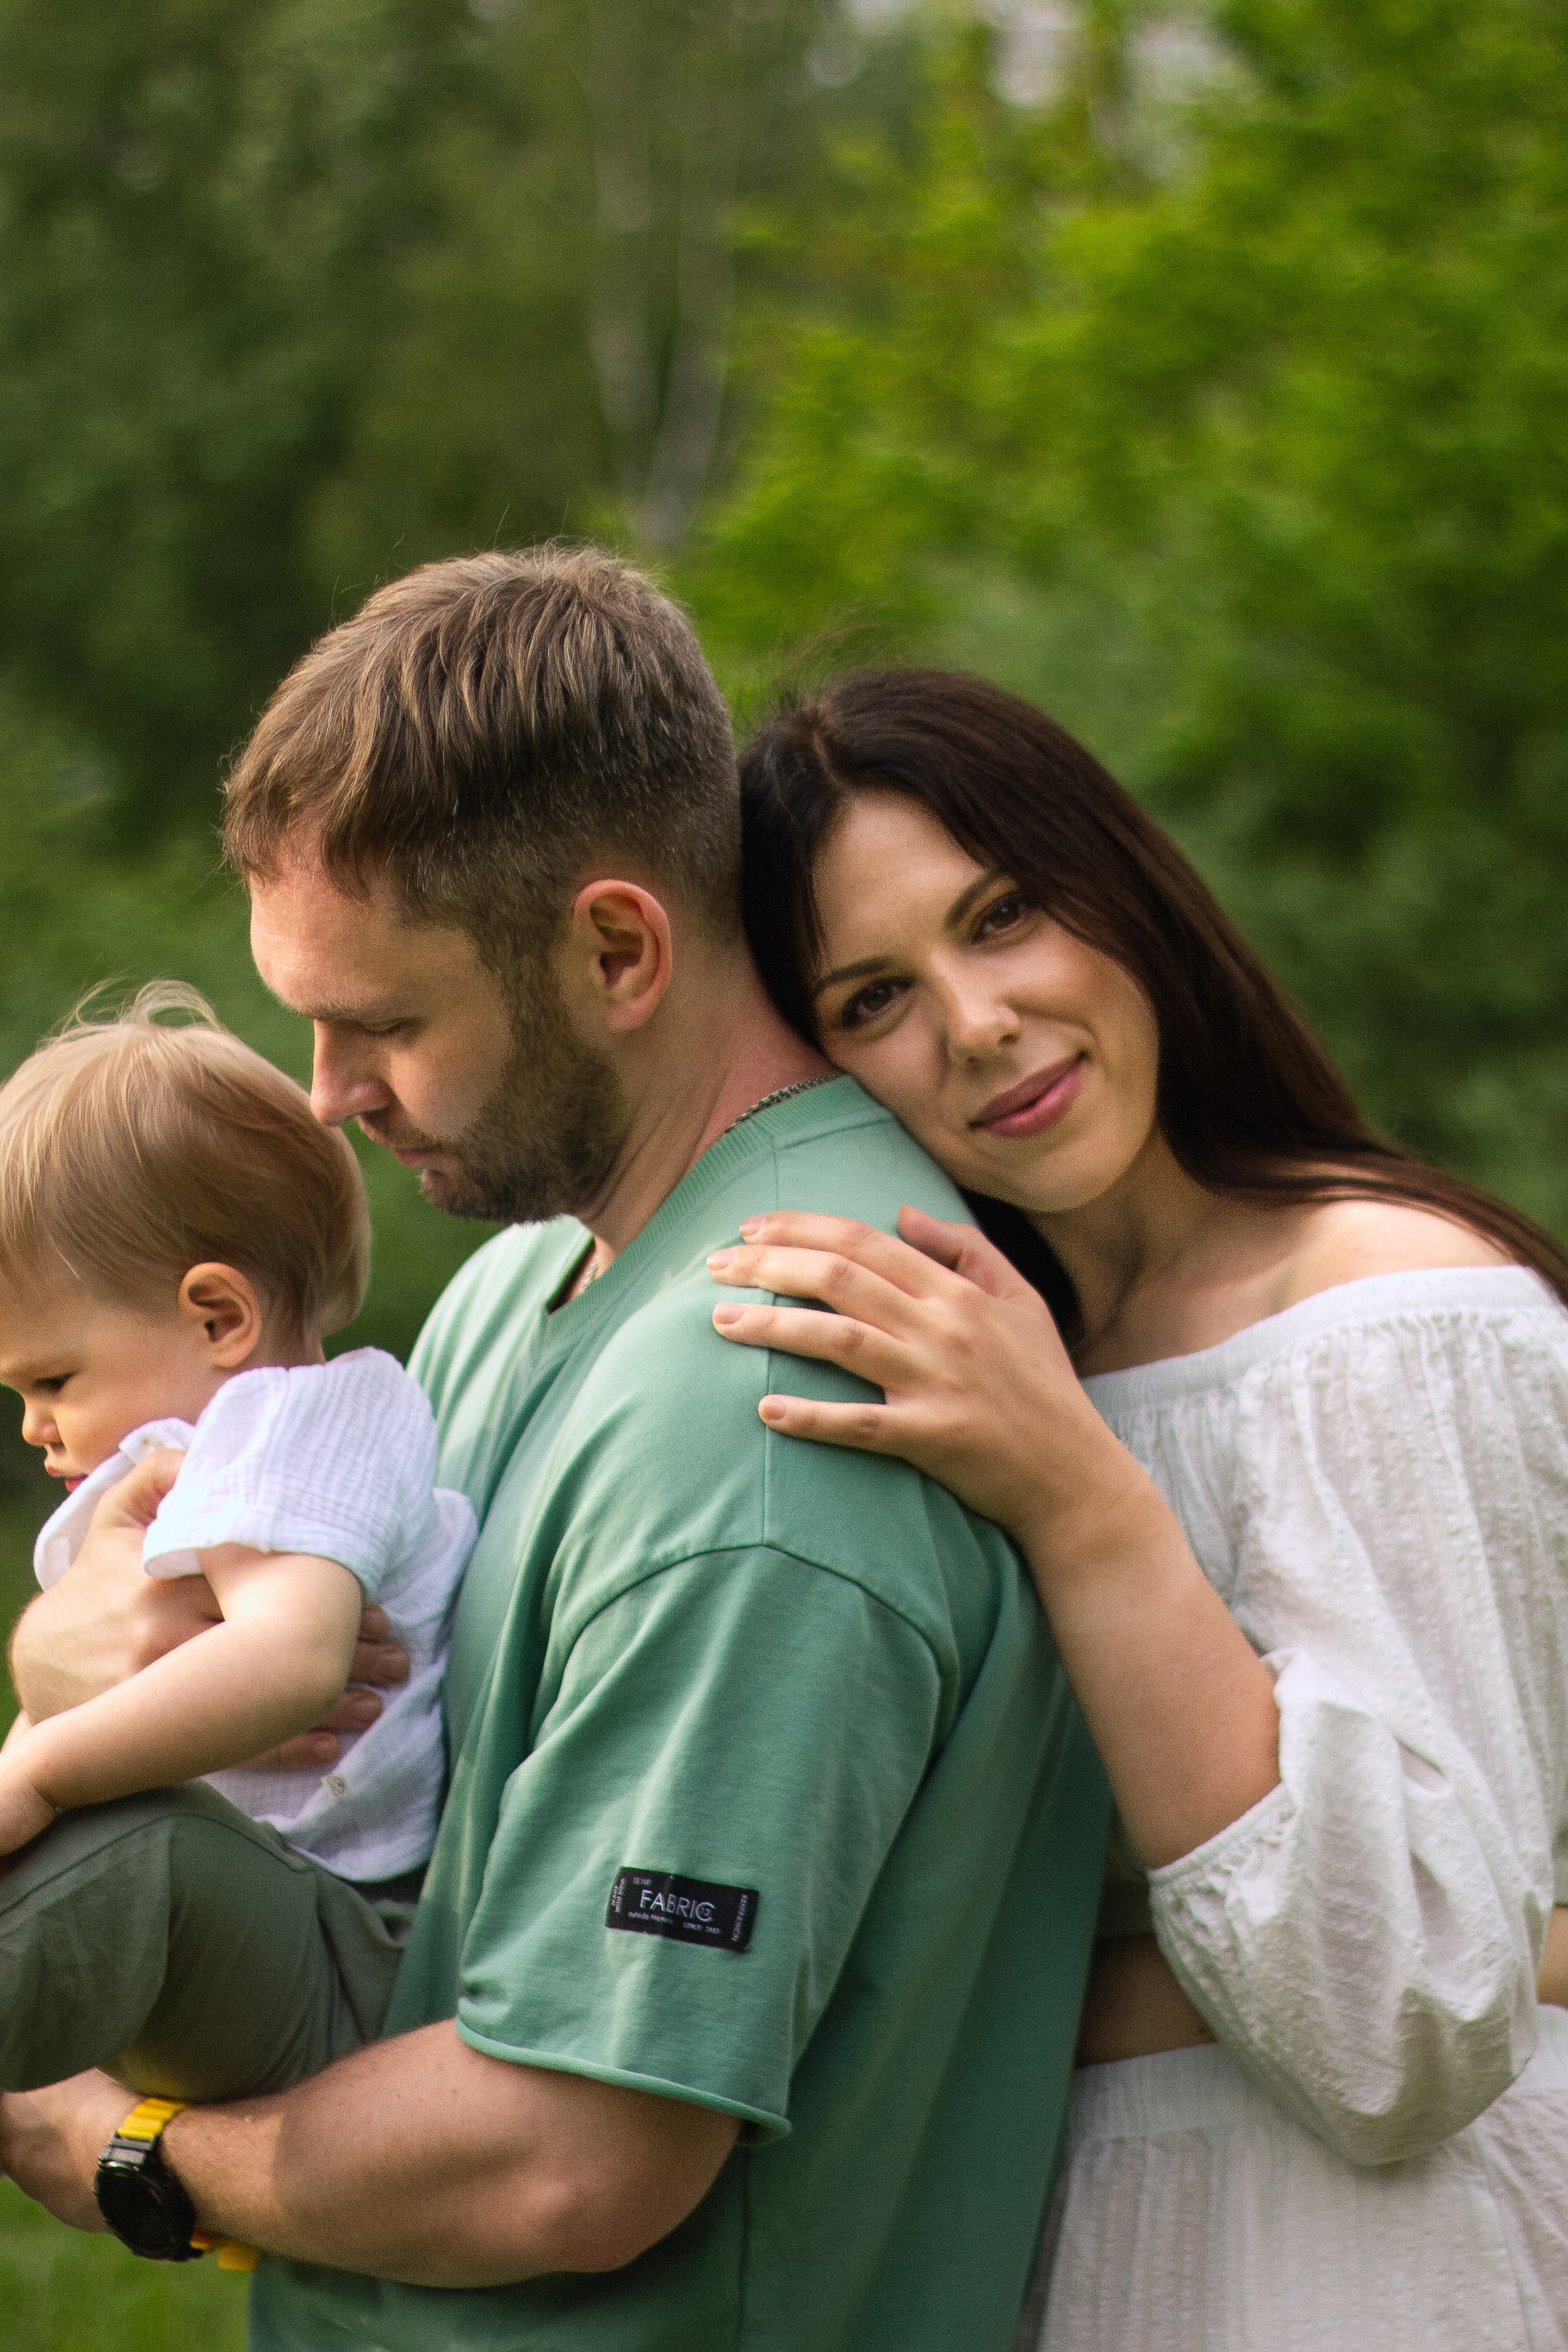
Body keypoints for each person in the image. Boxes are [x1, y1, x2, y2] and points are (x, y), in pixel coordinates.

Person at [0, 552, 1109, 2352]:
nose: (325, 1095)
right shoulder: (523, 1283)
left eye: (388, 1022)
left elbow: (574, 2159)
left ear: (616, 950)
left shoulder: (778, 1412)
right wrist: (75, 1664)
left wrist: (139, 2159)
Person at [706, 668, 1568, 2352]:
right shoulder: (968, 1363)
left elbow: (1392, 2027)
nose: (977, 1023)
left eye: (1005, 914)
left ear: (1125, 885)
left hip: (1367, 2279)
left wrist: (1084, 1503)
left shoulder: (1387, 1325)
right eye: (875, 997)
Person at [0, 990, 476, 2124]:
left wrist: (41, 1774)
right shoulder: (185, 1459)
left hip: (361, 1934)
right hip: (279, 1914)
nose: (33, 1425)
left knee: (112, 1841)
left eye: (52, 1380)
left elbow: (295, 1659)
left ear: (218, 1317)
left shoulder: (299, 1424)